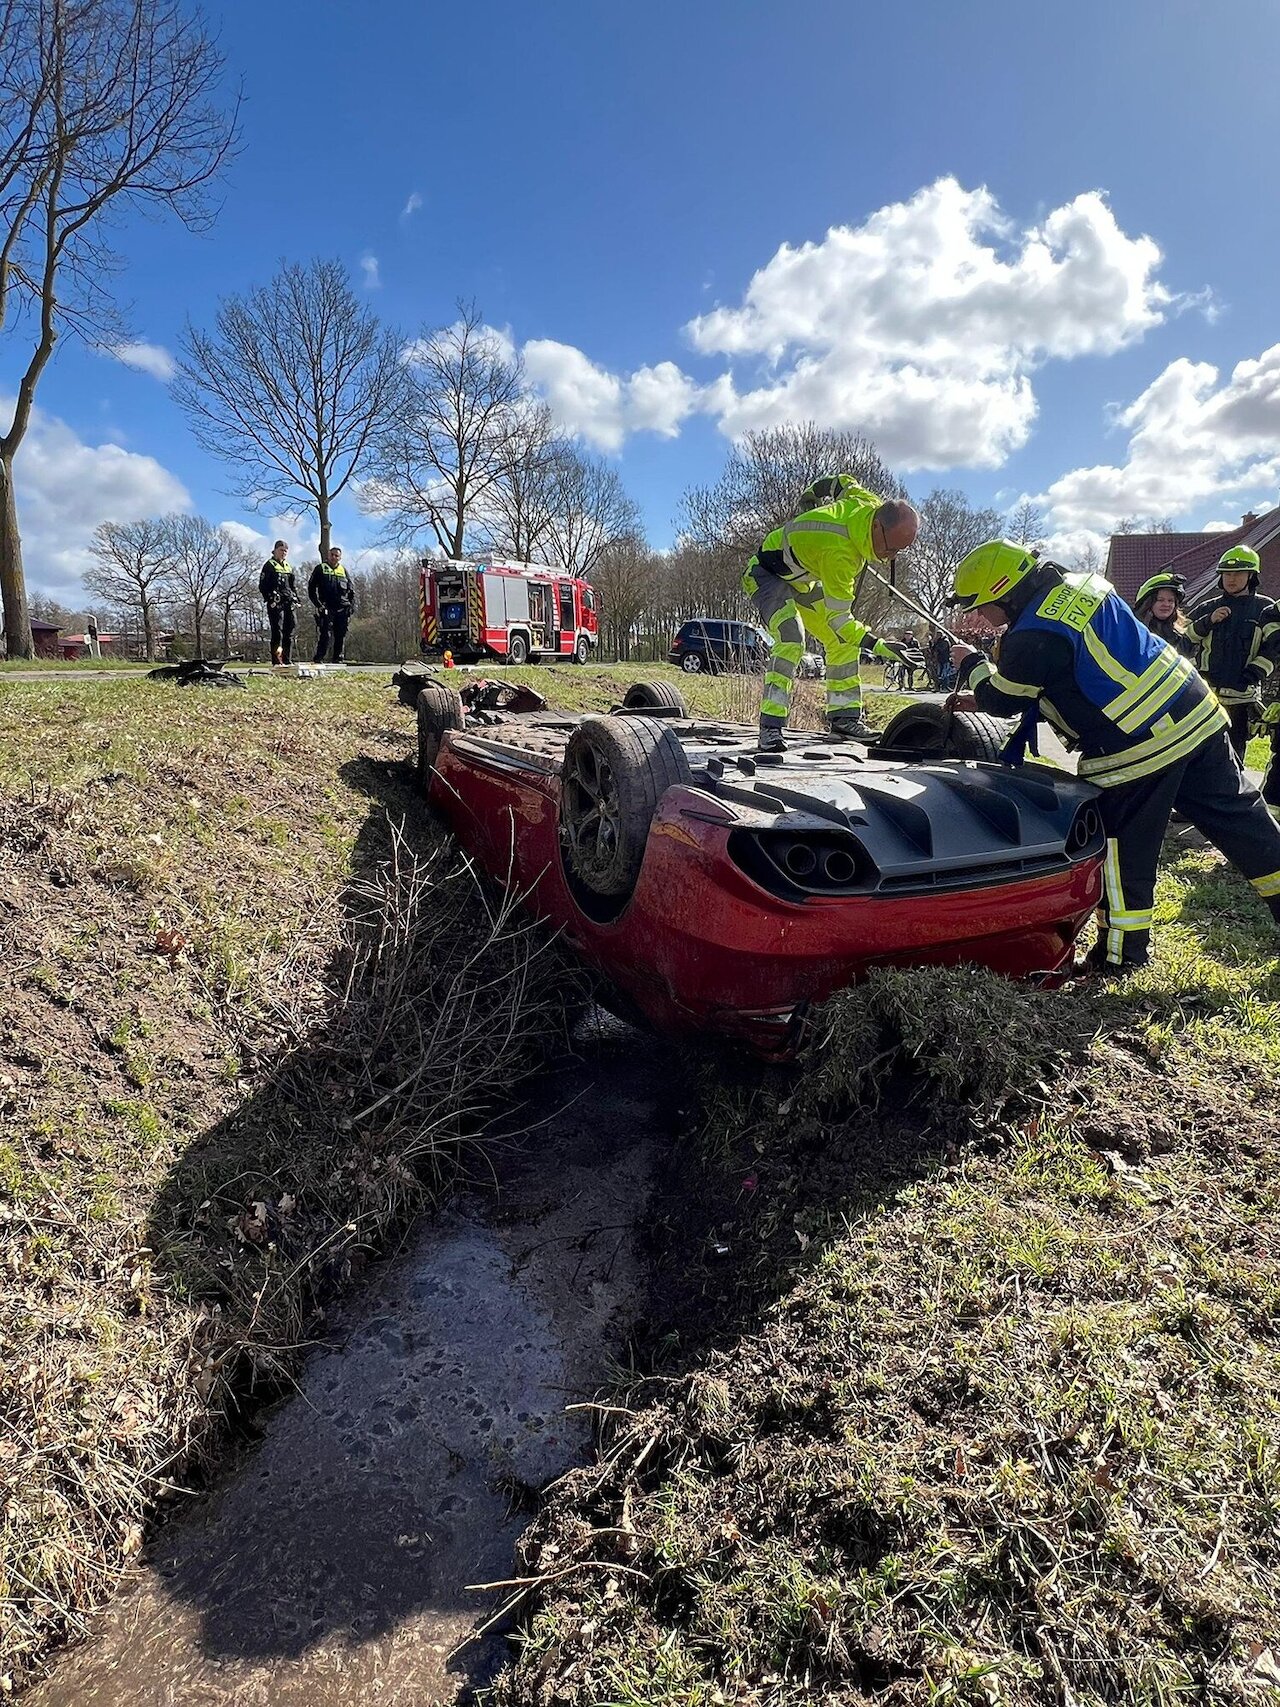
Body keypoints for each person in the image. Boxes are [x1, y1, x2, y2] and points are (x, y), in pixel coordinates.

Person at [947, 539, 1280, 976]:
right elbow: (1080, 671)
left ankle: (1120, 956)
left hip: (1138, 745)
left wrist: (972, 663)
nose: (979, 616)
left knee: (1124, 852)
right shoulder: (1086, 585)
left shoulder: (1032, 635)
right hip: (1195, 712)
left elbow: (1003, 699)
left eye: (980, 606)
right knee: (1244, 823)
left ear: (1004, 592)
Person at [742, 473, 923, 751]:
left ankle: (844, 719)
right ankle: (770, 728)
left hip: (801, 577)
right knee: (791, 639)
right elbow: (839, 620)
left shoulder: (867, 502)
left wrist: (811, 495)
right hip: (766, 574)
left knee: (842, 642)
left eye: (900, 551)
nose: (892, 557)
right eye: (891, 548)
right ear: (877, 526)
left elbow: (841, 482)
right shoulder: (841, 554)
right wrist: (880, 646)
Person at [1184, 545, 1280, 759]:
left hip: (1241, 701)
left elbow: (1274, 650)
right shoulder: (1207, 608)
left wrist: (1253, 674)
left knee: (1234, 758)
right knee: (1199, 756)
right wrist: (1207, 622)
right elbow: (1182, 641)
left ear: (1251, 576)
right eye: (1227, 574)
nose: (1231, 579)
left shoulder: (1265, 609)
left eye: (1238, 573)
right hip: (1206, 697)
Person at [309, 545, 355, 664]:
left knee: (341, 634)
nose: (334, 557)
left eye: (336, 556)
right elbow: (311, 589)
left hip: (342, 608)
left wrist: (351, 607)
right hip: (327, 607)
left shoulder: (343, 571)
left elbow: (351, 591)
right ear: (328, 556)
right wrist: (318, 605)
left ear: (340, 558)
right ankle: (319, 658)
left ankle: (338, 659)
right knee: (326, 634)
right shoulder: (320, 569)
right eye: (332, 555)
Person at [1133, 571, 1196, 656]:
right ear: (1147, 603)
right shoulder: (1134, 632)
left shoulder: (1181, 637)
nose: (1166, 604)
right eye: (1160, 600)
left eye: (1171, 600)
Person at [258, 539, 298, 665]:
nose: (283, 553)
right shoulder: (269, 565)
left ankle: (287, 659)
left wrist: (296, 597)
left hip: (288, 601)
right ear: (275, 550)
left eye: (285, 551)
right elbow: (262, 585)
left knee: (290, 631)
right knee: (277, 632)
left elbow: (292, 585)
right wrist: (270, 598)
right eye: (281, 550)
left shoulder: (288, 566)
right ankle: (277, 660)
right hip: (276, 603)